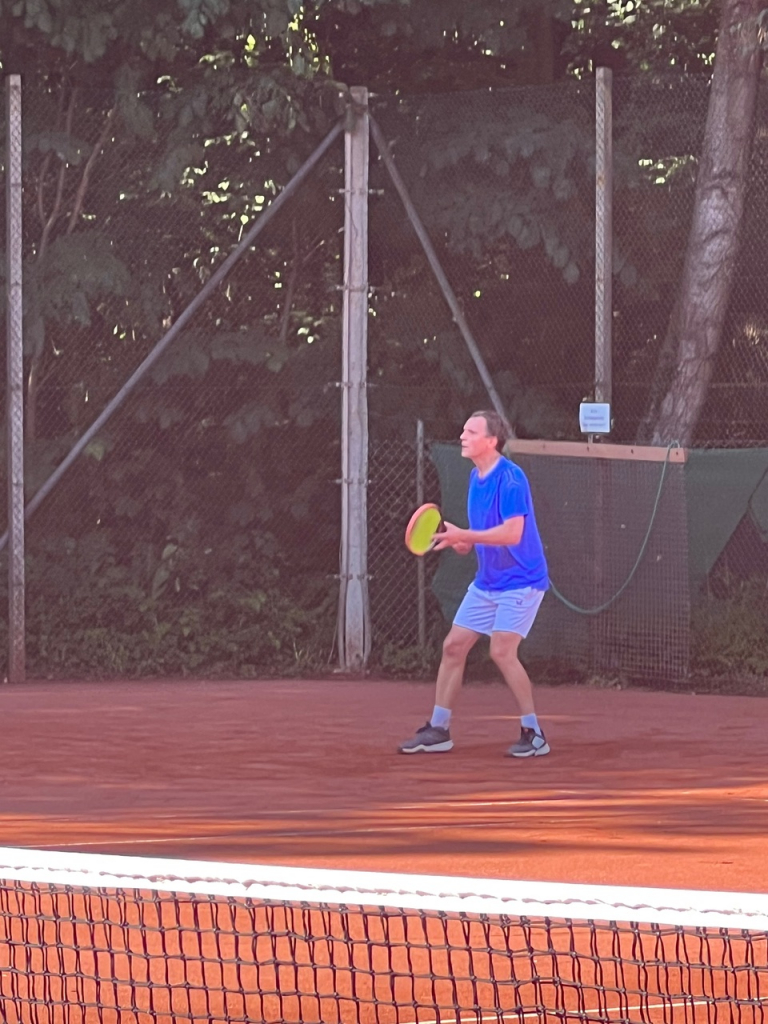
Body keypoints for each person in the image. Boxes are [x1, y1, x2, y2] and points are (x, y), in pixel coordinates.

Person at [398, 410, 550, 758]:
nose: (462, 436)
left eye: (471, 432)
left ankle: (534, 733)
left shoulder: (511, 479)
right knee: (453, 647)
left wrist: (466, 535)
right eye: (463, 430)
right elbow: (480, 536)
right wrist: (462, 540)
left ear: (491, 441)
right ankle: (438, 729)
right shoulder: (475, 477)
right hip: (488, 582)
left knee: (501, 651)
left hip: (522, 581)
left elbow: (512, 534)